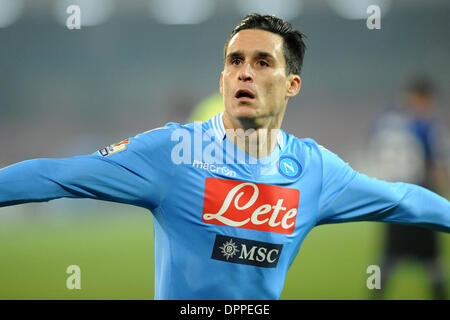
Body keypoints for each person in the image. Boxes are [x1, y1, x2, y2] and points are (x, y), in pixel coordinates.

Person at [0, 14, 449, 300]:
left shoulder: (315, 171)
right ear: (221, 81)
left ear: (292, 84)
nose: (245, 72)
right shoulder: (172, 154)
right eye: (235, 61)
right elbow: (57, 175)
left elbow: (402, 200)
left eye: (261, 62)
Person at [368, 77, 449, 299]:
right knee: (433, 262)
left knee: (385, 257)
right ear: (423, 98)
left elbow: (376, 149)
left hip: (393, 198)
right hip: (420, 196)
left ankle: (372, 294)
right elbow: (437, 169)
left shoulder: (385, 120)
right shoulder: (425, 125)